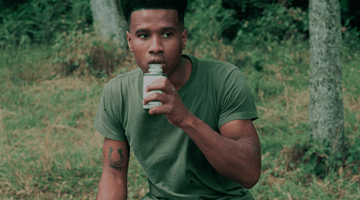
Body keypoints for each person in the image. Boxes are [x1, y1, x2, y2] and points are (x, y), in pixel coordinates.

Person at [94, 0, 261, 199]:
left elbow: (249, 173)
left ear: (183, 38)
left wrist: (186, 119)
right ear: (130, 41)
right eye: (144, 35)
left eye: (167, 34)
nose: (155, 47)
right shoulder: (118, 92)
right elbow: (114, 174)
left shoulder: (224, 79)